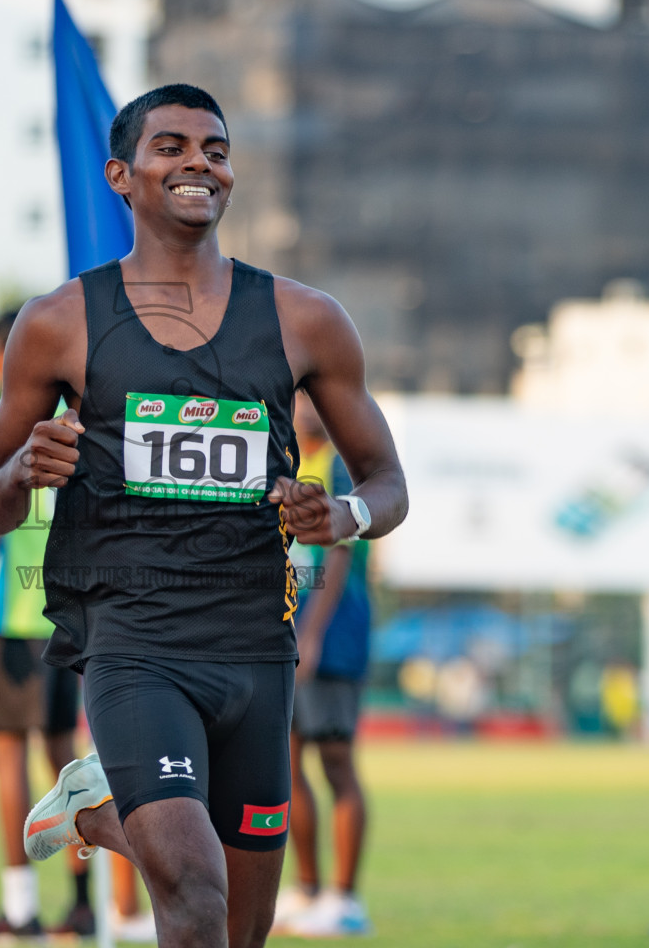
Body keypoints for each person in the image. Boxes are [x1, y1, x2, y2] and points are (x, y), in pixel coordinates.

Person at [0, 84, 408, 948]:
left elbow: (389, 480)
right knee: (194, 889)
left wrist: (343, 515)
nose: (199, 162)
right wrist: (22, 470)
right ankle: (114, 811)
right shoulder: (57, 323)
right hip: (129, 640)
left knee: (241, 928)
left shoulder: (305, 320)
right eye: (171, 146)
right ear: (121, 176)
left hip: (254, 646)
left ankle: (98, 814)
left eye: (215, 147)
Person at [0, 310, 94, 942]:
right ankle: (86, 903)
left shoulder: (0, 421)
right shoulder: (82, 425)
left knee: (9, 760)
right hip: (65, 615)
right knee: (64, 759)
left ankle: (21, 911)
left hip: (9, 615)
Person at [271, 391, 374, 937]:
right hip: (285, 634)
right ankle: (308, 889)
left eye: (311, 394)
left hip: (333, 638)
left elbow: (339, 550)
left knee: (336, 761)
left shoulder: (337, 464)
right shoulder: (282, 458)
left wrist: (309, 635)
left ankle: (347, 898)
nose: (302, 405)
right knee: (287, 767)